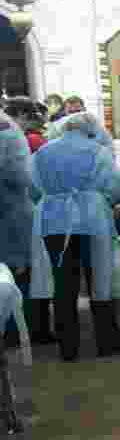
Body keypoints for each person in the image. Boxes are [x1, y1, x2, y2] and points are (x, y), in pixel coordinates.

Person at [31, 113, 120, 361]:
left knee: (63, 285)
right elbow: (116, 185)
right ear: (88, 131)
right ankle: (107, 342)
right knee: (100, 280)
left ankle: (68, 348)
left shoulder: (43, 152)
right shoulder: (97, 150)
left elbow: (31, 186)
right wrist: (107, 200)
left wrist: (52, 196)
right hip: (91, 217)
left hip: (53, 219)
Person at [0, 112, 36, 349]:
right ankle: (19, 329)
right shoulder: (8, 130)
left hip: (11, 212)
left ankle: (17, 330)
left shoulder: (6, 132)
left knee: (17, 273)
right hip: (13, 212)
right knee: (17, 272)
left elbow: (17, 175)